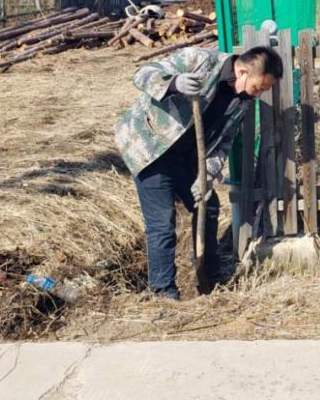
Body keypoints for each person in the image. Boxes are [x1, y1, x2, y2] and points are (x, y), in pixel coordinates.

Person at [114, 45, 283, 300]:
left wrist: (207, 178)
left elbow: (223, 144)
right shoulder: (199, 60)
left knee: (208, 206)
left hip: (187, 156)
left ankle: (209, 279)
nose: (258, 94)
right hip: (150, 146)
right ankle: (163, 291)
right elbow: (142, 73)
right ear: (242, 71)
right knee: (162, 222)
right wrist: (174, 83)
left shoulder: (242, 102)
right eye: (259, 87)